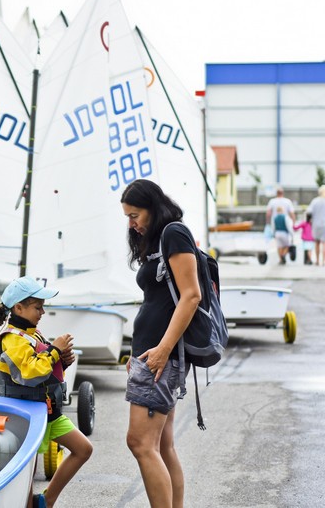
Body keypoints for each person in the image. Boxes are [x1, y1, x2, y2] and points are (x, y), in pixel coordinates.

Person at [120, 179, 200, 508]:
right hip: (151, 353)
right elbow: (156, 302)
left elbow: (191, 295)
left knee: (140, 443)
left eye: (135, 215)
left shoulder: (174, 233)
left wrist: (163, 349)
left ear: (153, 208)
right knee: (162, 444)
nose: (131, 223)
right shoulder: (154, 241)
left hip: (162, 356)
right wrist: (137, 351)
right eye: (127, 216)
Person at [0, 276, 92, 508]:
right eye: (38, 307)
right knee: (27, 476)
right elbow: (30, 373)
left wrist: (63, 361)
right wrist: (56, 350)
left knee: (83, 449)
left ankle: (46, 500)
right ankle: (33, 504)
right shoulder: (11, 339)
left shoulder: (31, 334)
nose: (43, 312)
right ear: (18, 308)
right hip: (26, 416)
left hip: (47, 412)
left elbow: (46, 369)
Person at [265, 187, 296, 264]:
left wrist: (268, 224)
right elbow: (292, 213)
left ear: (276, 193)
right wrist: (293, 224)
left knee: (279, 246)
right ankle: (283, 256)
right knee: (286, 245)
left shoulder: (272, 201)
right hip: (285, 228)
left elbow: (268, 213)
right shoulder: (287, 201)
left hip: (276, 228)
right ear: (283, 193)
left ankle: (280, 259)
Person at [308, 185, 325, 266]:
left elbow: (309, 212)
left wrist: (309, 222)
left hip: (316, 224)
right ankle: (324, 261)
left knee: (317, 242)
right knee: (324, 243)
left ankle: (317, 260)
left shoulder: (315, 201)